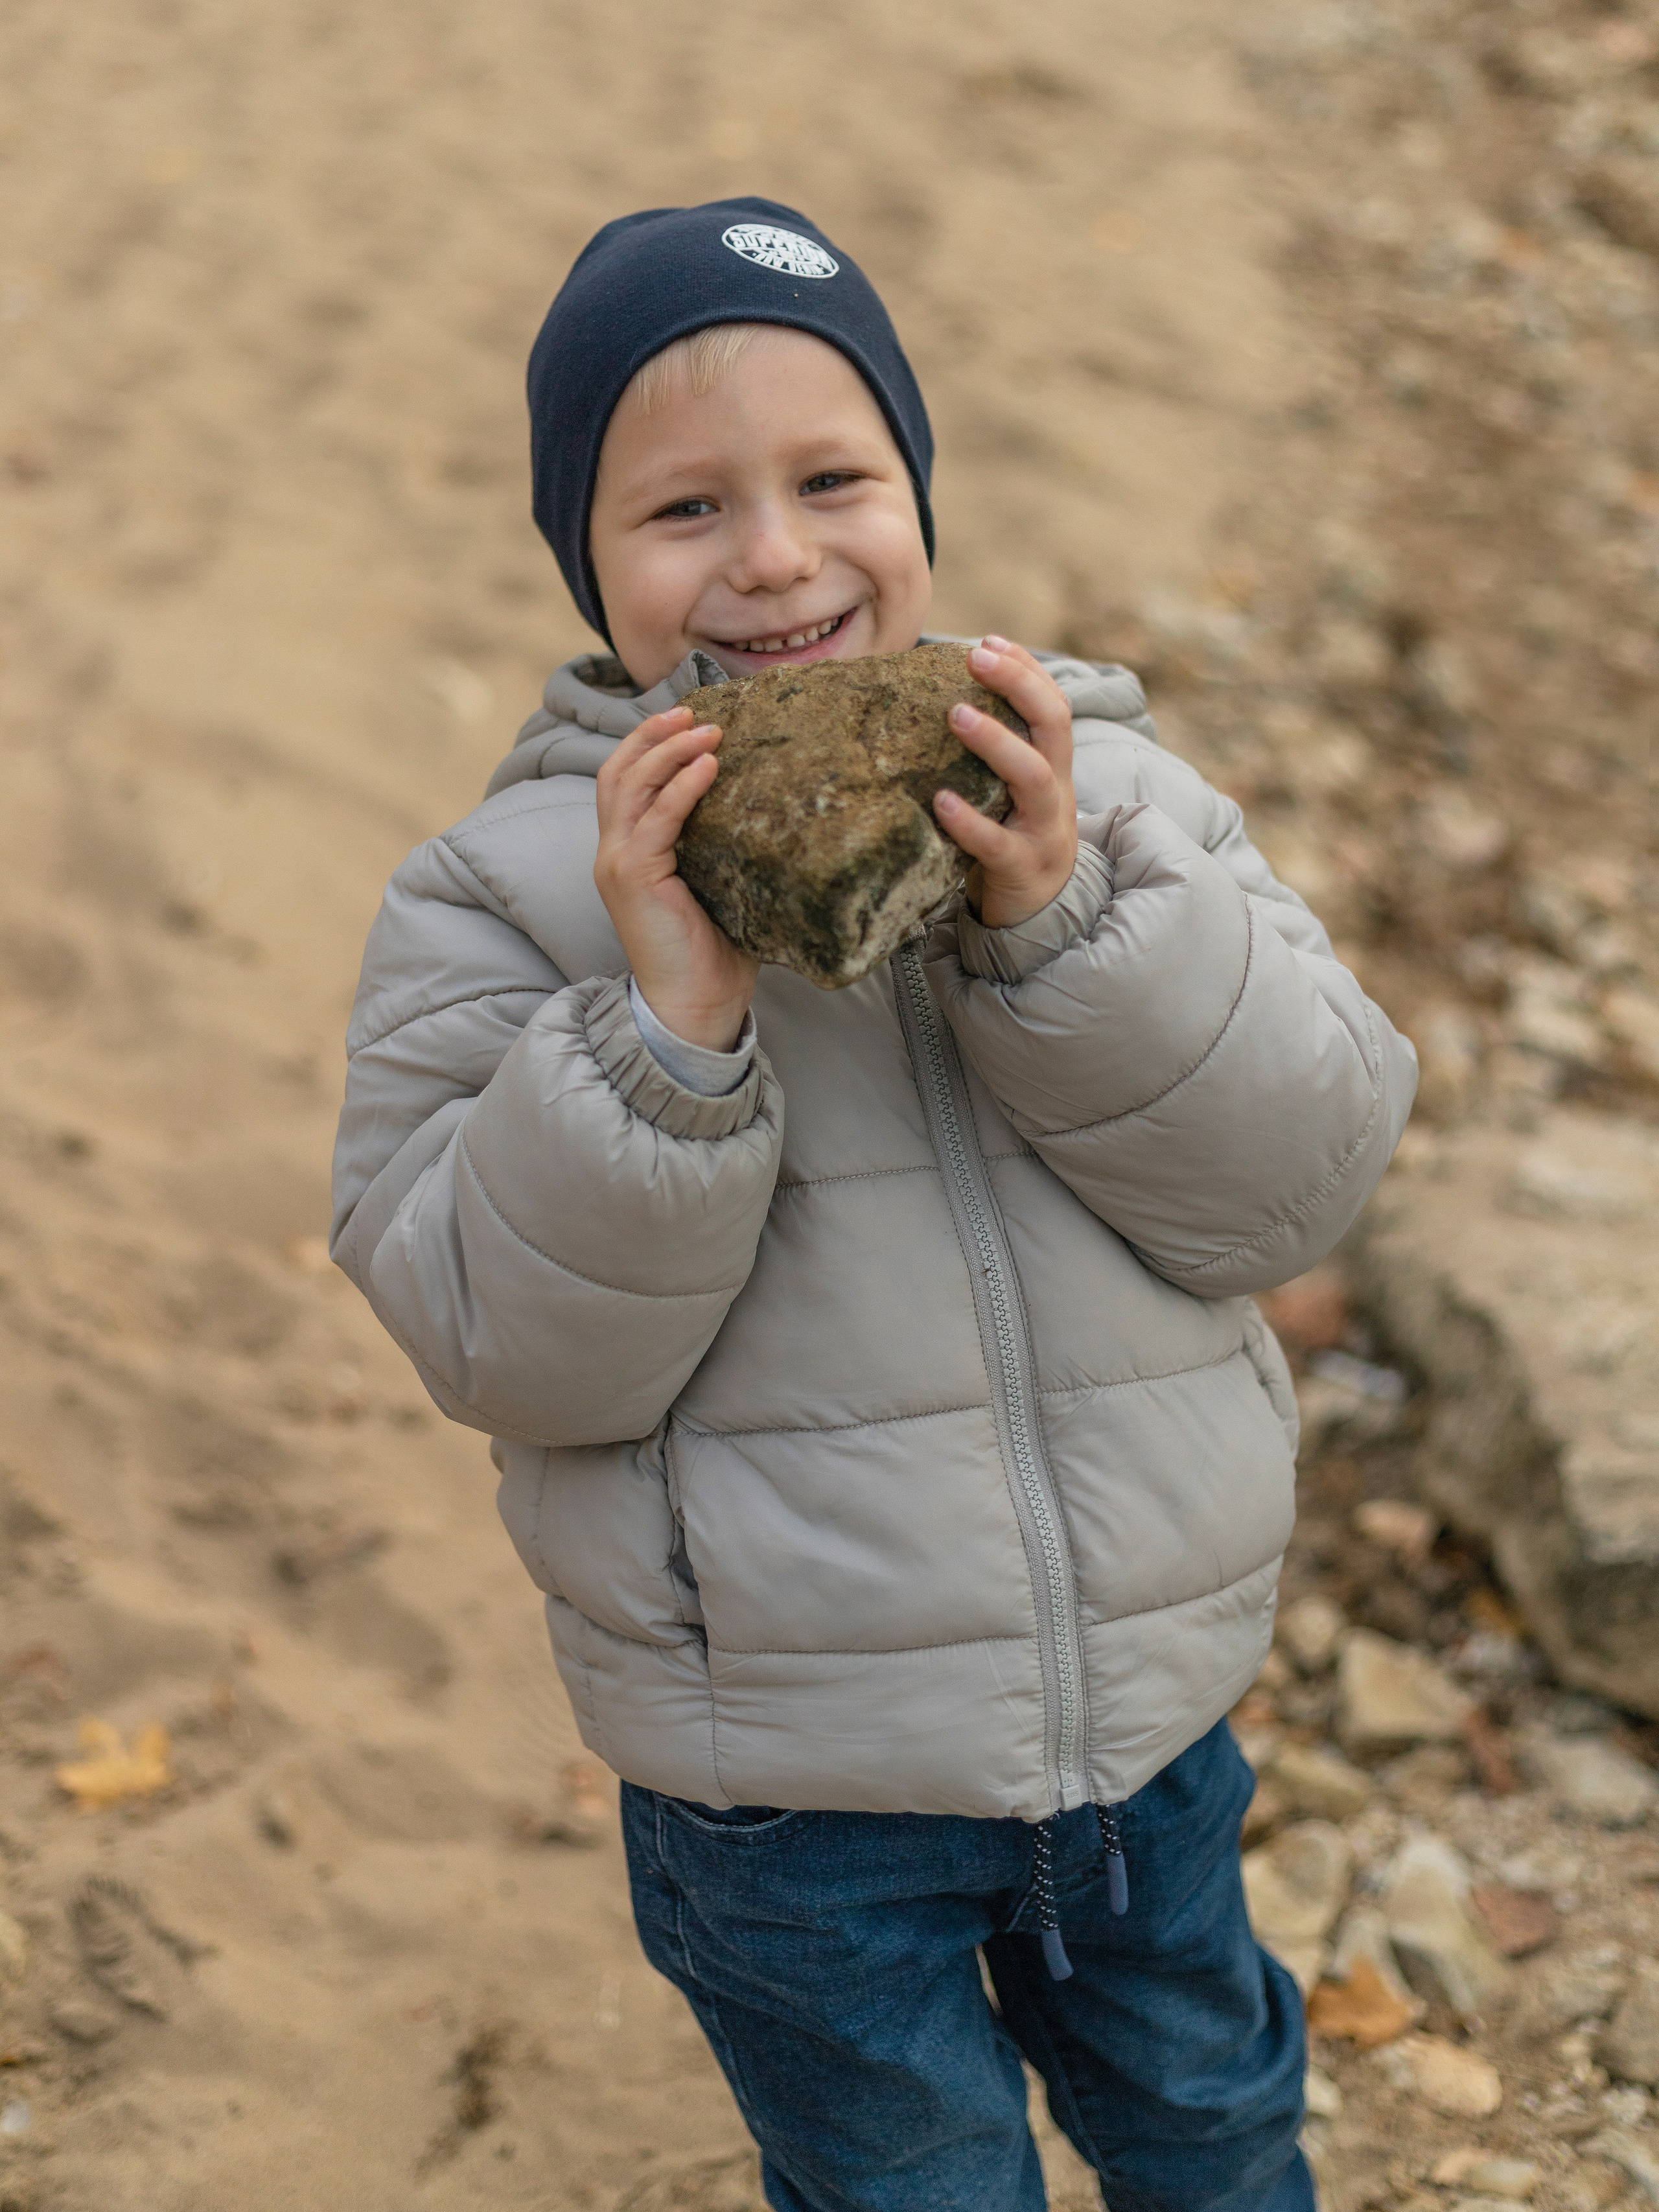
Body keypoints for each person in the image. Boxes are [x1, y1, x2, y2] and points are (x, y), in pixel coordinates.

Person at [331, 197, 1416, 2211]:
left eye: (835, 478)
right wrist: (661, 1034)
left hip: (1143, 1725)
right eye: (679, 511)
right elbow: (498, 1340)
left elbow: (1301, 1178)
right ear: (582, 555)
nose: (771, 556)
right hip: (786, 1789)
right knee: (910, 2180)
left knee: (1214, 2119)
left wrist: (1068, 924)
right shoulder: (501, 894)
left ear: (918, 490)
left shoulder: (1114, 796)